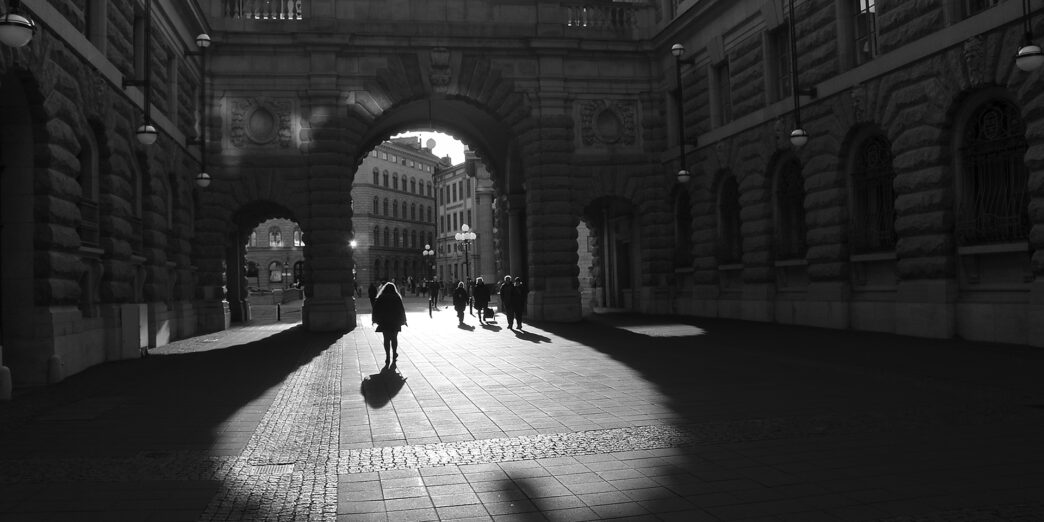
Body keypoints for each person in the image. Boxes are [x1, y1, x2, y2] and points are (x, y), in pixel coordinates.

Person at [372, 282, 407, 368]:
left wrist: (374, 320)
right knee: (394, 338)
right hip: (395, 321)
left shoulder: (380, 298)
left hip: (384, 321)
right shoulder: (397, 297)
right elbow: (401, 310)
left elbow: (375, 309)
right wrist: (404, 320)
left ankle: (387, 356)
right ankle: (394, 353)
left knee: (386, 339)